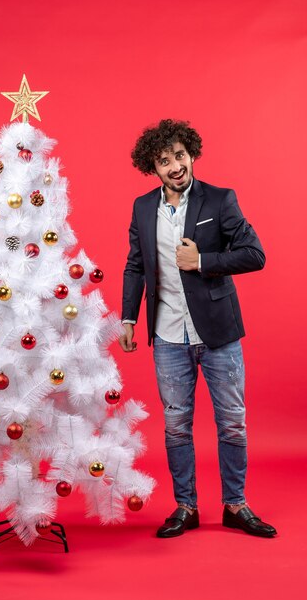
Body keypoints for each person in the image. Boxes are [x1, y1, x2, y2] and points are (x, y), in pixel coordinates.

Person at [119, 119, 277, 538]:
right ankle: (185, 507)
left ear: (192, 155)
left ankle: (235, 505)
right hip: (168, 336)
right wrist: (129, 318)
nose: (174, 166)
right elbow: (136, 265)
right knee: (175, 425)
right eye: (164, 160)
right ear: (152, 167)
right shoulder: (141, 207)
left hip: (218, 334)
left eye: (180, 156)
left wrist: (204, 262)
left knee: (232, 422)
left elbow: (254, 254)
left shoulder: (221, 200)